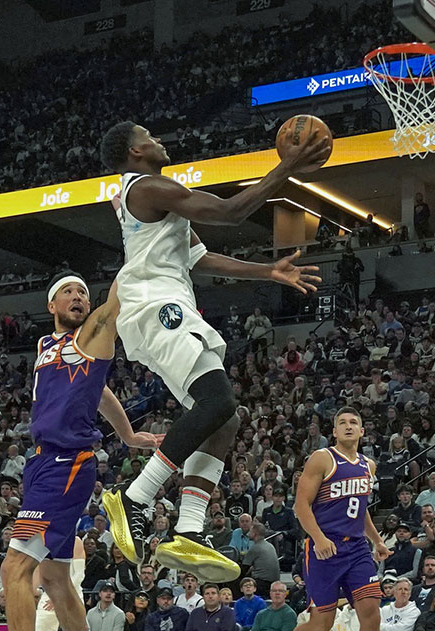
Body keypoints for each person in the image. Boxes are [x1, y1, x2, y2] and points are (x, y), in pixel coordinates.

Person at [100, 120, 327, 583]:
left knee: (226, 419)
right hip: (156, 305)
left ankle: (188, 529)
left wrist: (268, 272)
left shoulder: (152, 200)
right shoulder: (148, 187)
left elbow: (199, 257)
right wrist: (285, 166)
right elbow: (230, 212)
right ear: (135, 150)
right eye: (150, 136)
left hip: (163, 303)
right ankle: (135, 498)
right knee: (218, 401)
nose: (161, 139)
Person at [1, 275, 160, 631]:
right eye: (69, 292)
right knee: (54, 575)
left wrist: (136, 229)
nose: (79, 297)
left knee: (14, 568)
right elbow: (99, 392)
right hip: (41, 462)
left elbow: (113, 304)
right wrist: (127, 433)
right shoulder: (45, 345)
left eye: (84, 293)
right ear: (51, 306)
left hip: (67, 463)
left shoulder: (93, 335)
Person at [268, 408, 391, 631]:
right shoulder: (322, 458)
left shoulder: (368, 465)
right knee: (321, 623)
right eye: (342, 423)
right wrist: (319, 538)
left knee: (371, 613)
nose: (348, 426)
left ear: (362, 431)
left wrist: (377, 540)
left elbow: (360, 508)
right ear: (334, 432)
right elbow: (301, 505)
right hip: (325, 547)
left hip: (357, 547)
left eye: (354, 422)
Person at [35, 538, 85, 631]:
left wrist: (60, 596)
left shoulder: (76, 541)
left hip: (71, 595)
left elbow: (79, 575)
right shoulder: (46, 540)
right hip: (49, 594)